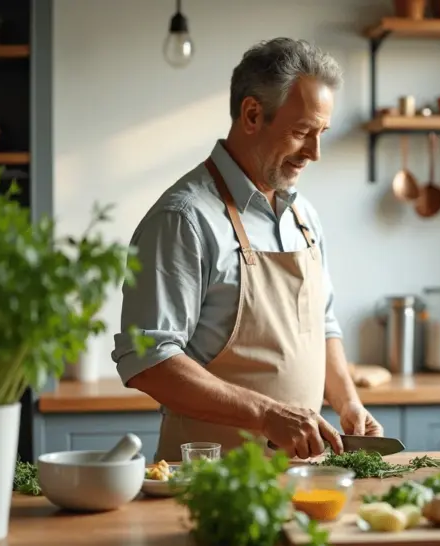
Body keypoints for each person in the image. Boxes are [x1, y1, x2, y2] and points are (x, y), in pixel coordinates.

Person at [111, 37, 384, 462]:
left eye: (321, 134)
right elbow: (148, 359)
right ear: (252, 114)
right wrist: (266, 414)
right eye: (301, 133)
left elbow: (322, 323)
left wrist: (348, 403)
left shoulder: (303, 217)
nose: (314, 153)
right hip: (208, 480)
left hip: (302, 476)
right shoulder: (184, 218)